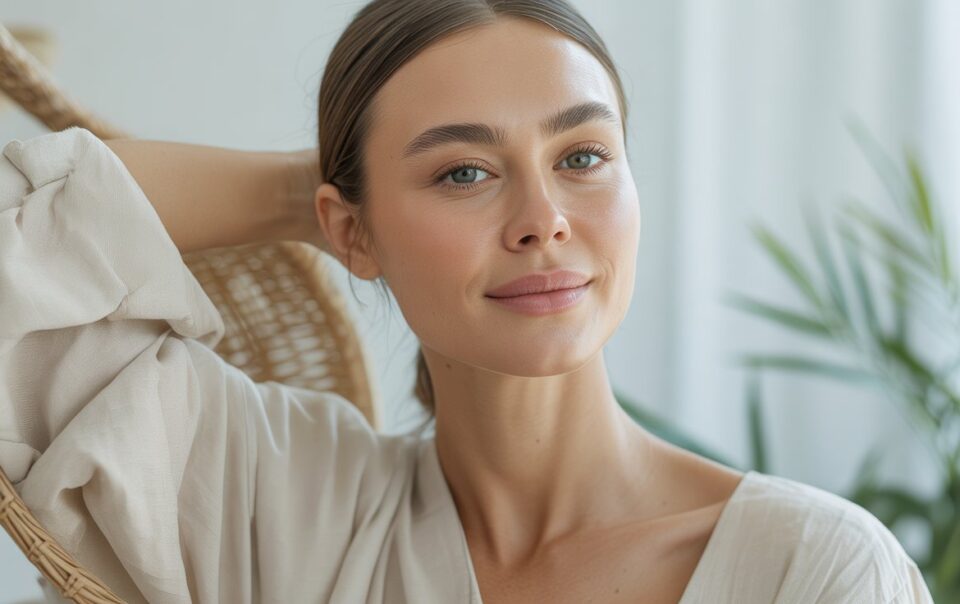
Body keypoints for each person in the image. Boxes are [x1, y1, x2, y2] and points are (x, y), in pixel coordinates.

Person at [0, 0, 934, 602]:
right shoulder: (278, 501)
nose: (542, 220)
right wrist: (316, 195)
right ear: (352, 232)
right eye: (463, 172)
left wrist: (387, 192)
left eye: (581, 157)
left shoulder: (811, 570)